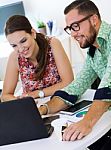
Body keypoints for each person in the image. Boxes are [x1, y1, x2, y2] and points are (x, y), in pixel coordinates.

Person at [39, 0, 111, 142]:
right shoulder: (94, 51)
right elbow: (75, 87)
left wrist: (86, 123)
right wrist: (43, 109)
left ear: (94, 19)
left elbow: (108, 86)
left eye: (75, 26)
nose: (72, 34)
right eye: (69, 28)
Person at [1, 15, 73, 101]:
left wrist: (38, 93)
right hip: (34, 108)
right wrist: (20, 102)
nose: (20, 49)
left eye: (23, 41)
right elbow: (5, 95)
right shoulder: (15, 57)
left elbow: (68, 82)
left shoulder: (52, 44)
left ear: (33, 33)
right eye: (14, 45)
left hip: (60, 101)